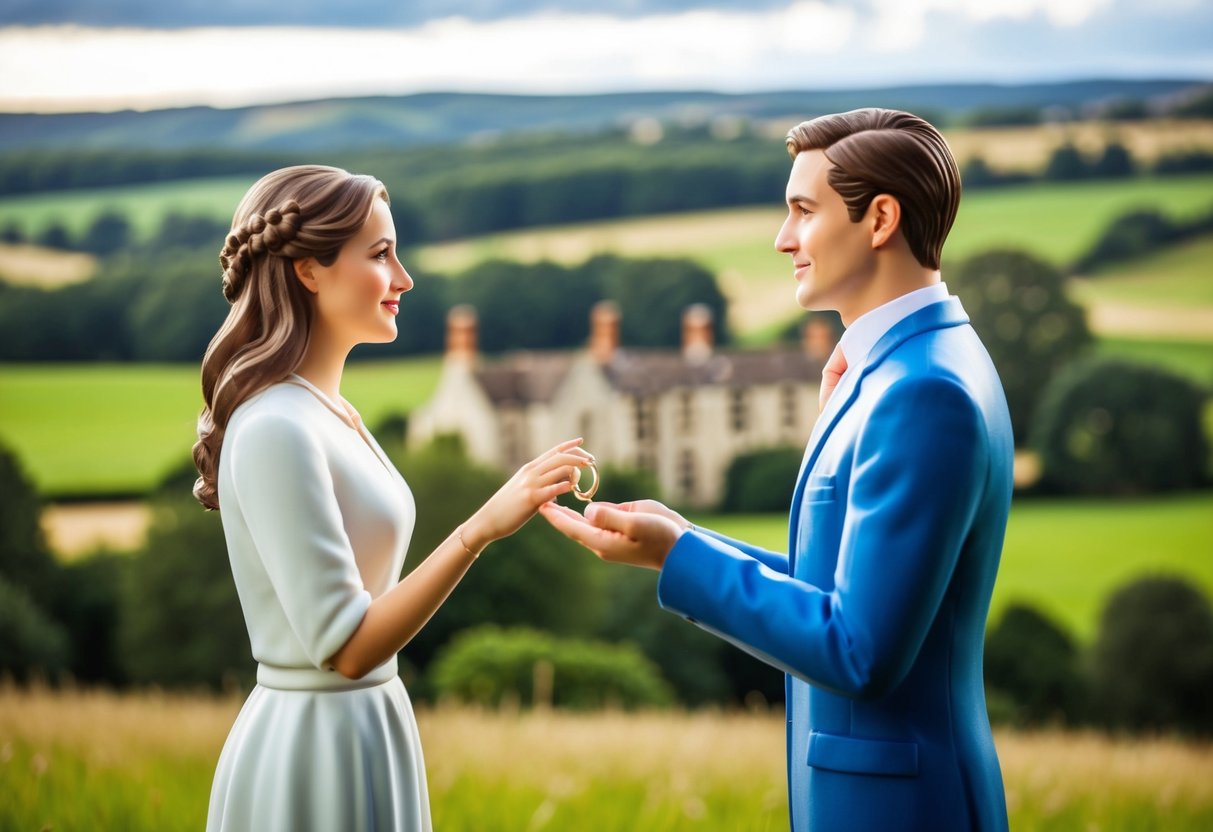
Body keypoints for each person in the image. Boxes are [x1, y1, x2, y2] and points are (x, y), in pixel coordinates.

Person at [540, 109, 1013, 831]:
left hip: (902, 808)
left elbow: (858, 653)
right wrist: (687, 539)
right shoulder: (911, 364)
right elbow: (843, 588)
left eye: (802, 210)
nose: (781, 237)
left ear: (880, 218)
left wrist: (678, 558)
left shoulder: (922, 392)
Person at [192, 164, 590, 831]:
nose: (404, 279)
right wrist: (478, 531)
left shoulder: (331, 412)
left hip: (369, 723)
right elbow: (345, 647)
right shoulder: (277, 428)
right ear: (308, 270)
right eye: (380, 255)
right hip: (312, 749)